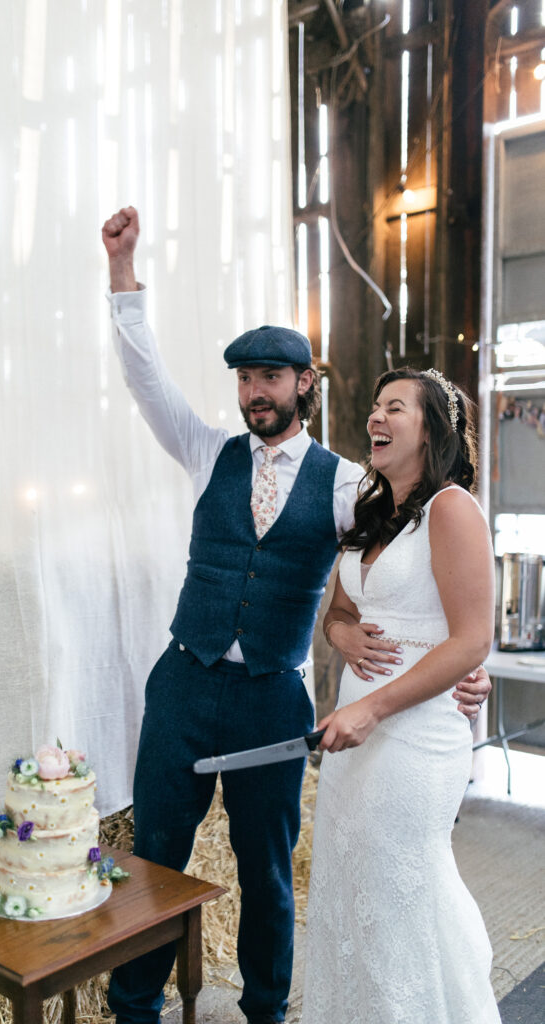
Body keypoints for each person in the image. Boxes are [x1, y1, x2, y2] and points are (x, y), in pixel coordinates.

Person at [101, 206, 491, 1024]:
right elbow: (144, 377)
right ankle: (133, 1008)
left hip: (270, 698)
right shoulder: (205, 448)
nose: (253, 394)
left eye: (269, 379)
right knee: (152, 859)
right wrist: (123, 272)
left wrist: (467, 658)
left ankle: (266, 1011)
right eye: (244, 380)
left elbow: (403, 568)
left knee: (267, 871)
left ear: (303, 384)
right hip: (182, 681)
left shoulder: (353, 484)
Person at [302, 367, 501, 1023]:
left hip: (412, 735)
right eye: (374, 405)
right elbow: (336, 609)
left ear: (431, 429)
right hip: (353, 735)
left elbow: (471, 640)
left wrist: (371, 706)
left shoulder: (451, 510)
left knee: (401, 891)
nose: (375, 418)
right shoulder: (370, 509)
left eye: (395, 408)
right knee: (350, 886)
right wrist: (341, 634)